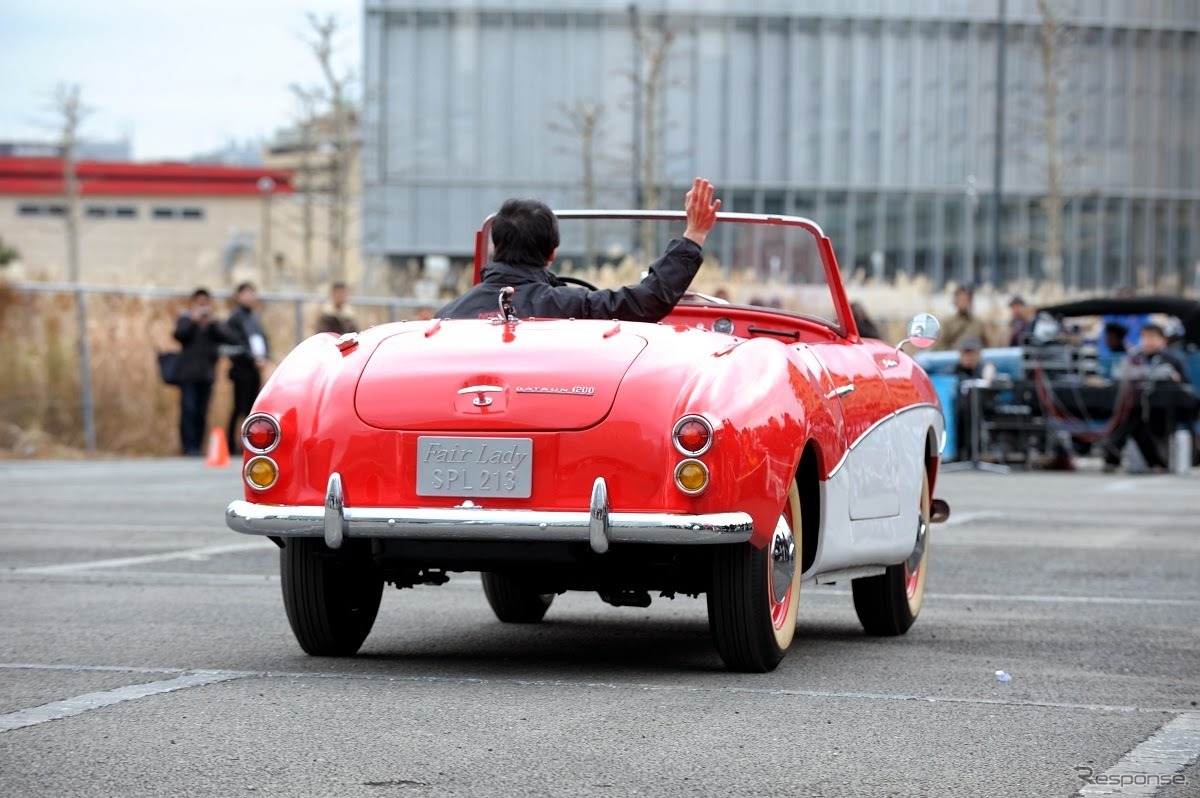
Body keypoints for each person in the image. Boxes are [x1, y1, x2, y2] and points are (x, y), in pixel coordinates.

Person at [437, 177, 720, 322]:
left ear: (495, 247)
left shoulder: (447, 316)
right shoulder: (569, 306)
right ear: (552, 254)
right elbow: (646, 301)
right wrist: (694, 234)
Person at [1103, 323, 1194, 472]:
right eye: (1144, 337)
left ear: (1162, 340)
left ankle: (1116, 456)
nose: (1148, 341)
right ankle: (1152, 462)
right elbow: (1119, 374)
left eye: (1152, 337)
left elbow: (1184, 387)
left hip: (1165, 409)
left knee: (1139, 422)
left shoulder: (1172, 358)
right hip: (1137, 406)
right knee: (1130, 419)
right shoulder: (1135, 357)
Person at [172, 289, 236, 456]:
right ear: (192, 303)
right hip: (188, 374)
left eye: (205, 302)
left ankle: (198, 446)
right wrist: (193, 321)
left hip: (206, 374)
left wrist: (212, 323)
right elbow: (179, 335)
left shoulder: (212, 323)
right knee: (188, 409)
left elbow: (230, 337)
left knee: (202, 411)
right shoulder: (186, 319)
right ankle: (188, 446)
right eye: (199, 302)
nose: (203, 306)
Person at [225, 282, 270, 455]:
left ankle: (250, 443)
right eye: (247, 293)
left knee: (252, 407)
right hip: (242, 368)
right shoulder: (235, 317)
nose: (251, 297)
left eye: (253, 293)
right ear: (238, 296)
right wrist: (252, 358)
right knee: (239, 407)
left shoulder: (254, 317)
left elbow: (262, 339)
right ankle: (231, 444)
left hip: (255, 368)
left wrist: (264, 357)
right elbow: (236, 343)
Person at [952, 336, 996, 460]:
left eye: (974, 353)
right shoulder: (953, 371)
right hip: (958, 410)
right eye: (967, 353)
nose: (970, 357)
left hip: (981, 408)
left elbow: (989, 384)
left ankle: (973, 452)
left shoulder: (984, 369)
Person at [934, 285, 988, 351]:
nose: (963, 303)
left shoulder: (978, 322)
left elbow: (987, 344)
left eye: (966, 299)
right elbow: (940, 345)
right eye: (960, 299)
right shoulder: (948, 322)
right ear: (955, 302)